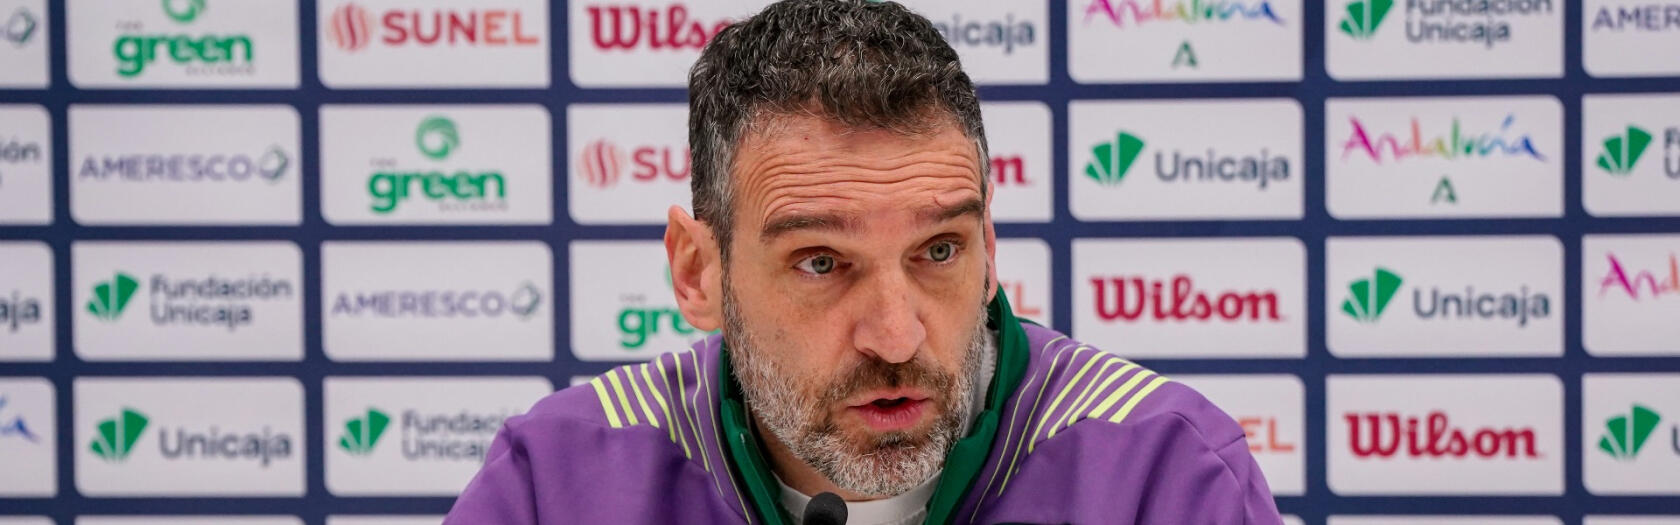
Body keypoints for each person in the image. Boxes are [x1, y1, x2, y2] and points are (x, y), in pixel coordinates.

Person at [444, 1, 1282, 523]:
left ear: (988, 249)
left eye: (938, 250)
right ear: (699, 272)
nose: (895, 333)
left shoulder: (1162, 472)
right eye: (821, 261)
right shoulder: (560, 482)